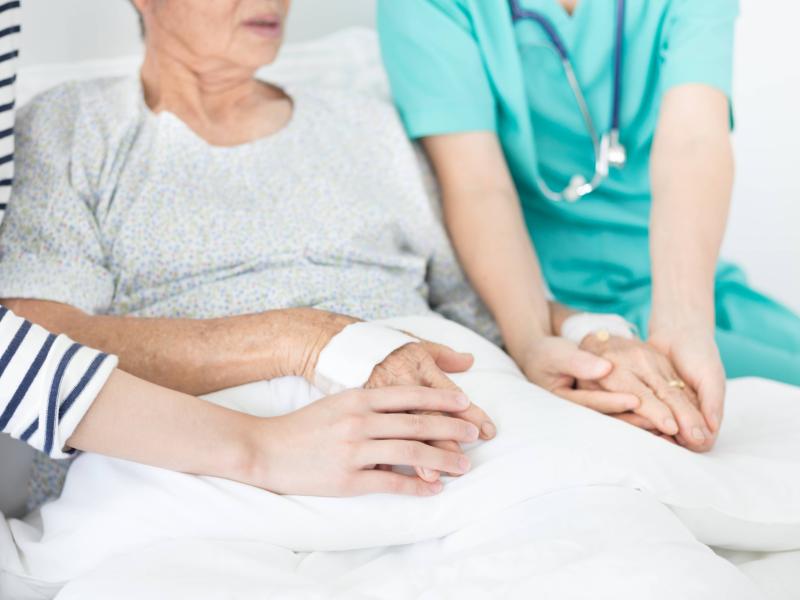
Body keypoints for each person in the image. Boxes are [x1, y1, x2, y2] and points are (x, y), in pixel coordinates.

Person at [0, 0, 486, 507]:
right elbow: (39, 338)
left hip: (445, 416)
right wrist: (303, 338)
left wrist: (535, 351)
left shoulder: (365, 122)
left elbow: (466, 304)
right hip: (200, 456)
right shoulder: (74, 125)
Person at [377, 0, 800, 450]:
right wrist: (531, 339)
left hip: (681, 280)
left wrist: (684, 323)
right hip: (539, 299)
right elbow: (477, 185)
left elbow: (695, 139)